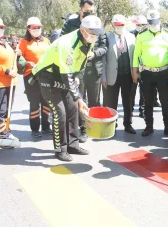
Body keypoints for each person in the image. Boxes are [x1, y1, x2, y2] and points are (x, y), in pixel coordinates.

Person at [32, 15, 104, 161]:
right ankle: (60, 149)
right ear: (83, 30)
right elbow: (67, 76)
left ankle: (72, 144)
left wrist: (77, 77)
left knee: (73, 110)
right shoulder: (67, 44)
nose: (95, 36)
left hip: (64, 74)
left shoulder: (88, 40)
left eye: (97, 33)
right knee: (60, 113)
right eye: (92, 32)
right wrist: (79, 98)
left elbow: (80, 64)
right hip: (48, 76)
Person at [61, 0, 107, 143]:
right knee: (79, 99)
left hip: (93, 69)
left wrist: (95, 54)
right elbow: (63, 42)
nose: (89, 14)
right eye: (86, 11)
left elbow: (104, 46)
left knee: (94, 100)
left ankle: (94, 126)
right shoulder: (70, 24)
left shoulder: (98, 24)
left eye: (91, 11)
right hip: (76, 70)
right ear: (80, 9)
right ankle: (83, 129)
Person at [132, 10, 168, 138]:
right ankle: (149, 127)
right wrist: (134, 70)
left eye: (155, 22)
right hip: (147, 72)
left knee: (165, 102)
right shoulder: (141, 35)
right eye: (150, 23)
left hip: (164, 73)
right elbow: (136, 54)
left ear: (160, 21)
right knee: (148, 102)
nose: (153, 25)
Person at [102, 14, 136, 134]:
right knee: (112, 102)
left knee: (128, 101)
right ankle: (112, 125)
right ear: (112, 25)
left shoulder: (131, 37)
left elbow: (135, 57)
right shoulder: (107, 38)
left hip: (128, 76)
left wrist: (136, 73)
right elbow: (103, 59)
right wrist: (103, 77)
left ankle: (128, 124)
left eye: (121, 25)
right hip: (112, 77)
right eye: (117, 25)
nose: (119, 27)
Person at [19, 17, 52, 138]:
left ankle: (46, 126)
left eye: (38, 27)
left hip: (46, 75)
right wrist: (27, 63)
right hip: (30, 76)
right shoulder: (23, 42)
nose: (36, 29)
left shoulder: (46, 41)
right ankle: (35, 129)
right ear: (28, 29)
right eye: (34, 28)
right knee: (34, 103)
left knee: (46, 101)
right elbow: (19, 58)